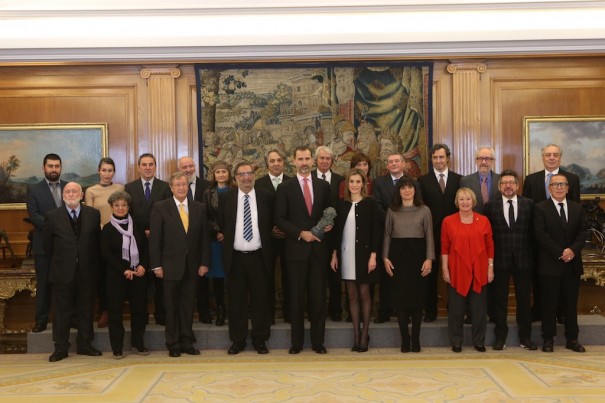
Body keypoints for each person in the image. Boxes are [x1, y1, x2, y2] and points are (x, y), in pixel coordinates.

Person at [275, 146, 333, 354]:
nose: (304, 162)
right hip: (296, 251)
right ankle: (297, 343)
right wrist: (301, 233)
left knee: (318, 299)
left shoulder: (323, 186)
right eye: (300, 159)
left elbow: (329, 213)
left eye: (308, 158)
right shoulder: (285, 187)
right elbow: (279, 219)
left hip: (318, 251)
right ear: (294, 161)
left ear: (313, 161)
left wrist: (329, 225)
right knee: (296, 299)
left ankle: (318, 342)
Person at [149, 172, 210, 357]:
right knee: (171, 307)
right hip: (169, 267)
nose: (182, 188)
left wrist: (204, 263)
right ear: (171, 187)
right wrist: (156, 265)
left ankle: (187, 342)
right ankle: (173, 344)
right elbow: (155, 239)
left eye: (184, 184)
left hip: (192, 267)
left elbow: (204, 239)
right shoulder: (161, 207)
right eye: (178, 185)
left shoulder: (199, 207)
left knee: (187, 306)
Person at [43, 182, 101, 362]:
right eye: (67, 191)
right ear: (63, 195)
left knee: (86, 310)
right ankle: (60, 348)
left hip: (87, 271)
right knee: (62, 312)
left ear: (82, 195)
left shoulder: (93, 214)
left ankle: (84, 345)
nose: (70, 194)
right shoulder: (52, 216)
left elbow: (96, 244)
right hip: (62, 272)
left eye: (74, 191)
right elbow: (47, 246)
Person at [522, 144, 581, 322]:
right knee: (539, 278)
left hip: (565, 243)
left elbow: (575, 212)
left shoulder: (572, 178)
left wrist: (567, 247)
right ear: (543, 158)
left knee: (564, 280)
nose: (552, 157)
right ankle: (539, 309)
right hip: (539, 241)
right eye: (548, 155)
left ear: (560, 158)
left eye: (555, 155)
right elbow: (527, 210)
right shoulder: (531, 180)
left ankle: (561, 312)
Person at [221, 161, 274, 355]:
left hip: (259, 257)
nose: (246, 177)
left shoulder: (266, 196)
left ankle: (260, 339)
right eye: (242, 174)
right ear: (235, 178)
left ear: (254, 176)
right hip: (235, 258)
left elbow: (270, 225)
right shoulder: (227, 198)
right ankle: (238, 340)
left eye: (249, 173)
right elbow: (222, 223)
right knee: (236, 301)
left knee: (261, 300)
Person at [533, 173, 588, 353]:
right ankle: (548, 339)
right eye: (555, 184)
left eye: (562, 184)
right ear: (549, 188)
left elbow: (582, 233)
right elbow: (540, 234)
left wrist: (572, 250)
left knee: (571, 304)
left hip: (572, 264)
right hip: (550, 264)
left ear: (567, 188)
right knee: (549, 304)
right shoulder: (540, 208)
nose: (559, 187)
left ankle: (572, 339)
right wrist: (560, 252)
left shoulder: (577, 208)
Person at [484, 170, 537, 351]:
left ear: (517, 185)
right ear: (499, 187)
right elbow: (488, 236)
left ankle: (525, 337)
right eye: (504, 183)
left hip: (524, 260)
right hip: (500, 260)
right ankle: (500, 337)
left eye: (511, 183)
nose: (508, 186)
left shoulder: (529, 204)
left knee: (524, 299)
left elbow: (533, 233)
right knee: (499, 300)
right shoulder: (490, 206)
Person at [330, 168, 380, 352]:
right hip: (346, 254)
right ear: (347, 184)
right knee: (351, 295)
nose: (354, 185)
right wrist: (335, 254)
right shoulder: (341, 205)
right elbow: (336, 233)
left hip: (364, 256)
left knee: (365, 294)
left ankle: (365, 332)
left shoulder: (370, 204)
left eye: (358, 181)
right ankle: (356, 334)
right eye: (351, 181)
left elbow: (376, 231)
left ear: (364, 184)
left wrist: (374, 255)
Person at [383, 176, 434, 353]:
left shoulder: (424, 210)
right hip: (397, 257)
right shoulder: (392, 210)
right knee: (401, 301)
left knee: (417, 300)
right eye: (402, 187)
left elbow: (429, 236)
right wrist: (385, 258)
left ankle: (416, 339)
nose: (406, 190)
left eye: (409, 187)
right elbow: (387, 235)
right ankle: (405, 339)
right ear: (398, 191)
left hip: (418, 257)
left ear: (415, 190)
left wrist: (429, 259)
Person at [441, 188, 494, 353]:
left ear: (473, 201)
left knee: (479, 310)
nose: (465, 202)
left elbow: (490, 247)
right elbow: (445, 247)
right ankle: (456, 341)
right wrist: (445, 269)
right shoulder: (448, 221)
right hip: (457, 269)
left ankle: (479, 341)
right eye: (461, 199)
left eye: (468, 199)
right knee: (456, 310)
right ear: (457, 202)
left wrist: (490, 268)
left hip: (480, 269)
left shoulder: (484, 220)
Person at [124, 153, 172, 326]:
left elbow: (169, 213)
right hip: (137, 242)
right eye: (144, 164)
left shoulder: (165, 187)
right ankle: (141, 317)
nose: (147, 167)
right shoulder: (129, 187)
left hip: (160, 241)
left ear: (155, 166)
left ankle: (162, 315)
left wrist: (156, 230)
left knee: (160, 281)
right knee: (141, 282)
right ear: (138, 167)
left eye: (151, 164)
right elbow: (127, 214)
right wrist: (138, 232)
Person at [101, 190, 149, 359]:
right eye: (117, 205)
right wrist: (124, 269)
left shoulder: (137, 225)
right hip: (117, 276)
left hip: (138, 275)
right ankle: (117, 347)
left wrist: (143, 264)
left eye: (124, 205)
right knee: (115, 312)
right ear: (111, 207)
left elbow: (145, 248)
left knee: (140, 311)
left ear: (128, 206)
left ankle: (138, 343)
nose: (120, 208)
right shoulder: (107, 229)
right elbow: (106, 254)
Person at [418, 144, 462, 322]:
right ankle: (430, 311)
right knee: (431, 274)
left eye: (441, 157)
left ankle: (456, 309)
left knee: (456, 272)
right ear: (431, 160)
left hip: (455, 235)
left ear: (448, 158)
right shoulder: (423, 181)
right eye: (435, 158)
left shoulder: (459, 180)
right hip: (431, 235)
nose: (438, 161)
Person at [26, 153, 66, 333]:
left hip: (66, 246)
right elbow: (34, 215)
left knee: (66, 283)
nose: (54, 169)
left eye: (57, 166)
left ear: (61, 168)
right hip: (43, 245)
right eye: (50, 166)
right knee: (43, 284)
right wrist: (57, 228)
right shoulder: (34, 189)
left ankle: (68, 318)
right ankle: (41, 320)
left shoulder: (69, 187)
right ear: (44, 168)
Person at [84, 157, 125, 328]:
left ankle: (118, 310)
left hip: (120, 238)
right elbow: (89, 216)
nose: (107, 174)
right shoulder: (91, 191)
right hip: (100, 239)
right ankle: (105, 311)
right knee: (102, 277)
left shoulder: (121, 188)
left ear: (114, 172)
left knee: (118, 275)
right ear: (98, 171)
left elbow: (124, 209)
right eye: (104, 170)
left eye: (110, 170)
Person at [254, 149, 292, 323]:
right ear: (267, 163)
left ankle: (289, 313)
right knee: (265, 276)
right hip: (266, 238)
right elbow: (256, 213)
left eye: (279, 160)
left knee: (290, 277)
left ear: (284, 162)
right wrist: (270, 229)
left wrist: (287, 229)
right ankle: (267, 314)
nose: (276, 164)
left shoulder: (293, 183)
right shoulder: (258, 184)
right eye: (272, 161)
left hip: (289, 238)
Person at [372, 152, 406, 323]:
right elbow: (377, 205)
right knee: (385, 275)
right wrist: (391, 222)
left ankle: (403, 312)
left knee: (403, 274)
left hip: (407, 236)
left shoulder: (412, 182)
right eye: (390, 161)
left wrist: (402, 223)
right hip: (385, 234)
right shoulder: (379, 182)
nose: (393, 164)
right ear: (387, 165)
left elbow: (417, 204)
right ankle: (384, 311)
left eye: (396, 161)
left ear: (403, 164)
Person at [177, 156, 212, 324]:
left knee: (202, 282)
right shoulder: (176, 187)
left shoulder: (206, 186)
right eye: (184, 167)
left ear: (195, 167)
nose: (188, 169)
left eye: (190, 166)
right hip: (181, 244)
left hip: (201, 240)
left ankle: (205, 313)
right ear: (179, 169)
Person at [313, 145, 345, 322]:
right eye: (321, 158)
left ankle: (335, 310)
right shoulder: (308, 179)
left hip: (335, 236)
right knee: (316, 276)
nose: (325, 161)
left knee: (334, 275)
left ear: (332, 161)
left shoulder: (340, 180)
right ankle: (316, 311)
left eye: (328, 159)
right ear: (315, 160)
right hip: (314, 236)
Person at [202, 160, 234, 326]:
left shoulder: (236, 190)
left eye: (224, 171)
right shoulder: (208, 192)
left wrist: (228, 234)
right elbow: (206, 216)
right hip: (215, 240)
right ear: (214, 175)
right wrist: (218, 232)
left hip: (234, 240)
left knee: (234, 276)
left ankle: (235, 310)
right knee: (218, 279)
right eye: (218, 172)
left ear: (229, 173)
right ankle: (220, 311)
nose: (221, 174)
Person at [460, 147, 500, 214]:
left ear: (493, 161)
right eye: (480, 158)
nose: (483, 162)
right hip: (474, 221)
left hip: (497, 222)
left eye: (487, 159)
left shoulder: (501, 180)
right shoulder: (465, 181)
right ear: (476, 161)